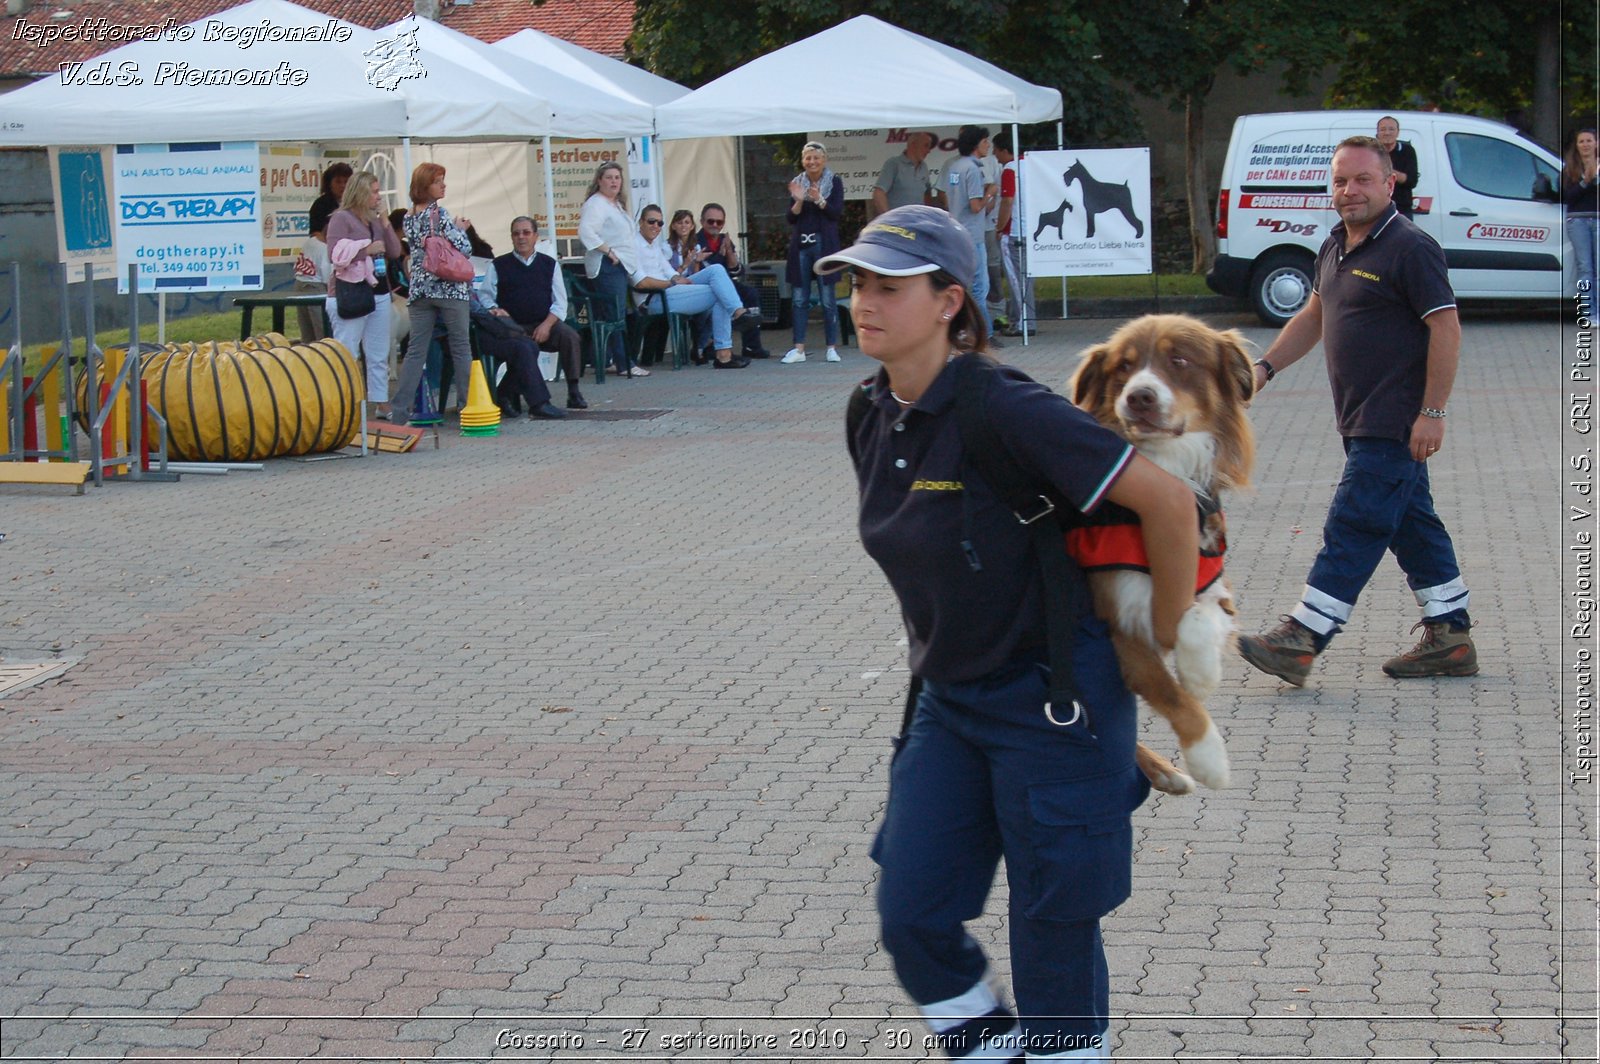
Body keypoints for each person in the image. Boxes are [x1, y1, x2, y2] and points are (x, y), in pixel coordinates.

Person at [828, 205, 1198, 1062]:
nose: (864, 300)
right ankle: (991, 1049)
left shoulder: (1006, 408)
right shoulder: (871, 410)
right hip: (949, 702)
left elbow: (1169, 501)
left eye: (890, 284)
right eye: (858, 283)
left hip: (1054, 704)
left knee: (1053, 931)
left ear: (951, 300)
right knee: (913, 912)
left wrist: (1162, 644)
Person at [1238, 135, 1476, 685]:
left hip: (1393, 419)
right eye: (1341, 180)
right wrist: (1265, 369)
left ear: (1390, 182)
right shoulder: (1335, 245)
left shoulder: (1410, 248)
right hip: (1358, 414)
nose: (1350, 191)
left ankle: (1302, 638)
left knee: (1357, 521)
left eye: (1363, 179)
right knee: (1411, 523)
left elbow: (1446, 328)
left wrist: (1433, 413)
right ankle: (1452, 636)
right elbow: (1315, 315)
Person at [391, 162, 475, 420]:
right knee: (461, 346)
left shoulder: (408, 217)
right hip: (449, 288)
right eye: (438, 181)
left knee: (416, 349)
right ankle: (467, 406)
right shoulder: (440, 214)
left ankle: (400, 410)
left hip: (420, 290)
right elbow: (463, 247)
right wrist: (461, 229)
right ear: (425, 186)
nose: (443, 185)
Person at [477, 215, 588, 411]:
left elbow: (560, 302)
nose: (521, 237)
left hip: (543, 322)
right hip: (512, 327)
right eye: (516, 233)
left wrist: (547, 325)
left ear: (535, 236)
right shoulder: (499, 265)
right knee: (524, 348)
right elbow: (485, 296)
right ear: (511, 237)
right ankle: (507, 393)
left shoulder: (549, 264)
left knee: (570, 336)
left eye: (526, 233)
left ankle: (574, 391)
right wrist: (494, 309)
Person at [632, 204, 750, 370]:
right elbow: (640, 282)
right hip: (653, 298)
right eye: (651, 222)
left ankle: (737, 315)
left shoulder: (654, 246)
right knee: (719, 293)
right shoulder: (633, 246)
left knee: (716, 270)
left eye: (660, 223)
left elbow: (669, 272)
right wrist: (673, 282)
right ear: (641, 222)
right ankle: (725, 350)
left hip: (670, 291)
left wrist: (680, 276)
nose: (656, 227)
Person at [324, 170, 402, 420]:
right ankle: (345, 403)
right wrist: (365, 250)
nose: (378, 196)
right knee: (348, 351)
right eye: (375, 191)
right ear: (361, 193)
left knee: (378, 352)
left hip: (378, 290)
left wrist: (386, 222)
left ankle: (380, 401)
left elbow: (394, 250)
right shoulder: (341, 219)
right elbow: (334, 255)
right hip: (350, 292)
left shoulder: (375, 220)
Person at [577, 160, 650, 378]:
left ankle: (606, 358)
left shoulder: (615, 204)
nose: (613, 181)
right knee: (616, 315)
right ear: (599, 181)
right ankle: (624, 362)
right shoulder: (596, 204)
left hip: (621, 266)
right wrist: (608, 251)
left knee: (611, 314)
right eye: (608, 177)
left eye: (617, 177)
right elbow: (586, 231)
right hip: (607, 265)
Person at [781, 141, 844, 365]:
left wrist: (818, 199)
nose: (812, 162)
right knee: (799, 298)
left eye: (816, 157)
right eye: (808, 158)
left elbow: (836, 213)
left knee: (828, 298)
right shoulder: (797, 184)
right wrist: (799, 201)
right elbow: (790, 218)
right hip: (802, 245)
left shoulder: (834, 182)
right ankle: (798, 348)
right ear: (802, 161)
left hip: (824, 244)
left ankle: (831, 348)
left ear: (824, 160)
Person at [944, 126, 999, 345]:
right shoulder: (974, 170)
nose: (988, 146)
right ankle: (985, 333)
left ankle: (962, 330)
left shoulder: (955, 166)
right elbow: (976, 206)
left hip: (956, 230)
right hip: (973, 235)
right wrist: (990, 193)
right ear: (977, 145)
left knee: (961, 283)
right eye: (986, 141)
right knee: (979, 287)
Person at [694, 202, 769, 361]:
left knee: (751, 293)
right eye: (710, 221)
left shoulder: (724, 240)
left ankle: (751, 345)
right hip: (703, 286)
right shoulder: (695, 241)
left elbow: (737, 270)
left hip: (727, 283)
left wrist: (728, 250)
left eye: (719, 222)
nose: (715, 225)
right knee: (721, 297)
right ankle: (711, 345)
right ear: (701, 222)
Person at [993, 132, 1034, 337]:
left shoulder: (1010, 170)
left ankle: (1023, 322)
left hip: (1015, 231)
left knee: (1016, 279)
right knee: (1027, 277)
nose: (994, 154)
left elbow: (1007, 201)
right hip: (1031, 230)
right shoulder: (1031, 165)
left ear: (1004, 150)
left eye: (996, 149)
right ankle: (1027, 319)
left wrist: (999, 227)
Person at [1563, 128, 1599, 301]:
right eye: (1581, 141)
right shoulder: (1570, 168)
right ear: (1576, 145)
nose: (1585, 145)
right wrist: (1585, 182)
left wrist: (1595, 179)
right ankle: (1588, 313)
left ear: (1596, 143)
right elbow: (1568, 197)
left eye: (1589, 141)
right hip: (1577, 221)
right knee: (1585, 268)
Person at [871, 131, 935, 217]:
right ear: (913, 145)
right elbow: (878, 193)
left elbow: (927, 193)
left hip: (918, 222)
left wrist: (928, 216)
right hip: (898, 223)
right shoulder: (894, 164)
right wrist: (888, 218)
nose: (928, 151)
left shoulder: (924, 167)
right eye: (926, 146)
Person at [292, 222, 330, 343]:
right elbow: (327, 277)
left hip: (300, 284)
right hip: (316, 287)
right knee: (322, 330)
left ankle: (306, 352)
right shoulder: (325, 249)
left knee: (306, 328)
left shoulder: (311, 241)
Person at [1375, 116, 1419, 218]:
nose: (1387, 133)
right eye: (1383, 129)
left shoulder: (1407, 151)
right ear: (1377, 133)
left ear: (1398, 132)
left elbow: (1411, 181)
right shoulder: (1371, 151)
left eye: (1391, 129)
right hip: (1375, 210)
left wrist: (1386, 170)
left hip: (1402, 211)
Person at [308, 162, 352, 239]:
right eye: (338, 182)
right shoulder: (320, 205)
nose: (342, 185)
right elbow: (315, 233)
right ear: (329, 183)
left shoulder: (357, 203)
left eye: (346, 181)